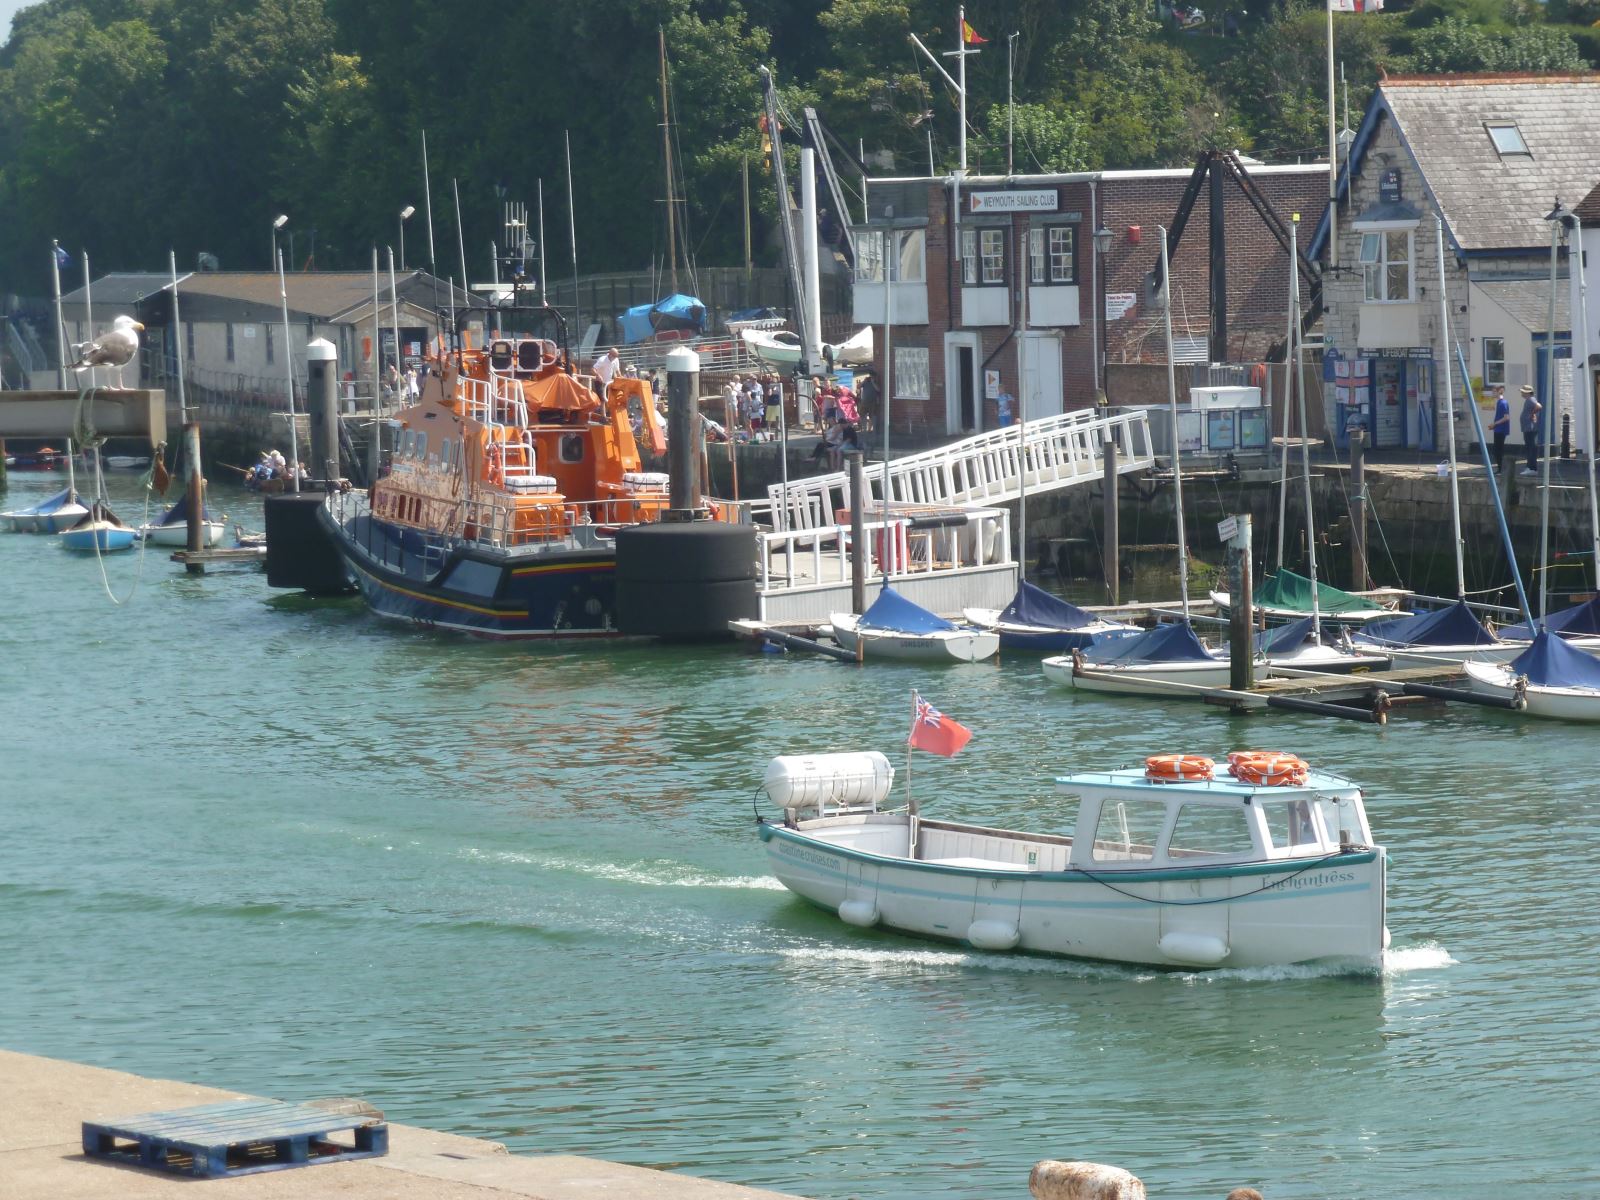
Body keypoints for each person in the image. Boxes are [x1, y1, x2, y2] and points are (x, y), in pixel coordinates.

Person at [1518, 382, 1542, 475]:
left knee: (1530, 448)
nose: (1522, 393)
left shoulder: (1531, 400)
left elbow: (1539, 406)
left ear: (1527, 392)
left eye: (1523, 392)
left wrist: (1532, 414)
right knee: (1529, 448)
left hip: (1530, 429)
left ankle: (1531, 468)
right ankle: (1530, 467)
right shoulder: (1530, 400)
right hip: (1528, 428)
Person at [1489, 385, 1511, 469]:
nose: (1493, 393)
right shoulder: (1499, 402)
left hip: (1501, 430)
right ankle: (1500, 468)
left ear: (1499, 391)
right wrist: (1494, 425)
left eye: (1494, 392)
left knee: (1498, 450)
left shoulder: (1503, 403)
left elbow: (1506, 417)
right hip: (1498, 429)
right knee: (1496, 450)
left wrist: (1495, 424)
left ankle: (1501, 469)